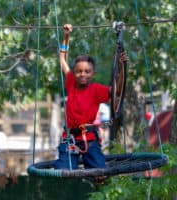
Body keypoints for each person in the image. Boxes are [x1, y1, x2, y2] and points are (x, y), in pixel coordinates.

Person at [54, 24, 127, 170]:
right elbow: (63, 59)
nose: (83, 74)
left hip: (90, 139)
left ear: (93, 74)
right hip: (70, 140)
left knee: (100, 173)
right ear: (74, 73)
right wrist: (67, 36)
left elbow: (118, 91)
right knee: (63, 171)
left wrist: (123, 66)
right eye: (79, 71)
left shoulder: (97, 90)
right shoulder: (71, 83)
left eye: (87, 71)